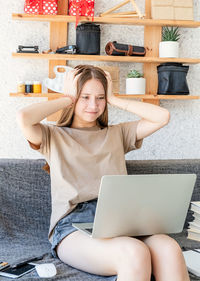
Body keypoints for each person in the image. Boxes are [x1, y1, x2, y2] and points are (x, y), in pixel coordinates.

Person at [17, 65, 189, 281]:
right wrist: (67, 97)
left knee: (169, 248)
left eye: (100, 98)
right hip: (73, 225)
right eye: (85, 97)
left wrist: (114, 99)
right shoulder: (53, 136)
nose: (93, 105)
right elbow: (23, 117)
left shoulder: (117, 134)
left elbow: (162, 116)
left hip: (121, 219)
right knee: (133, 252)